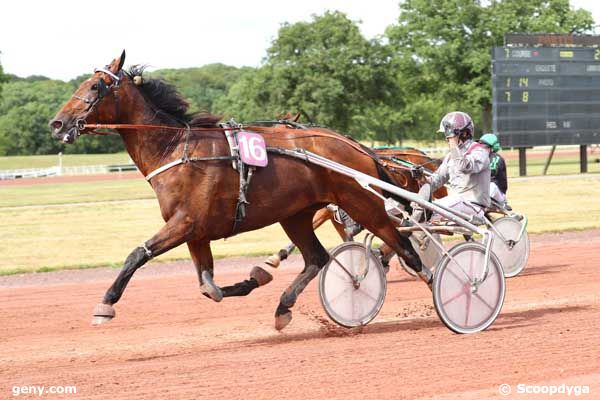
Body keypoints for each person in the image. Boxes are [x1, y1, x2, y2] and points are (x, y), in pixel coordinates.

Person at [413, 111, 491, 223]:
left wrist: (453, 143)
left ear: (463, 134)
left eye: (448, 134)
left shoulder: (479, 151)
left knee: (431, 207)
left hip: (474, 206)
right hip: (456, 205)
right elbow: (435, 182)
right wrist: (421, 178)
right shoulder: (451, 156)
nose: (446, 138)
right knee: (415, 203)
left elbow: (463, 166)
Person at [479, 133, 508, 206]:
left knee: (491, 186)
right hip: (484, 192)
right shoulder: (480, 157)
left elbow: (491, 173)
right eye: (480, 146)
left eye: (484, 146)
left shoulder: (496, 158)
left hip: (498, 193)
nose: (481, 148)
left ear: (492, 148)